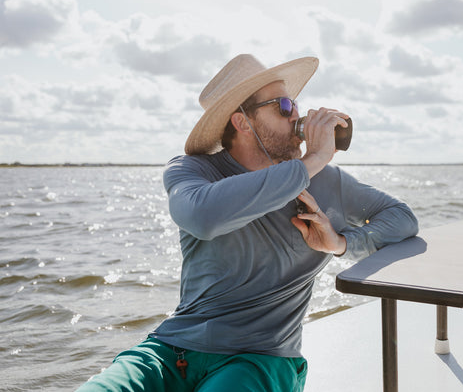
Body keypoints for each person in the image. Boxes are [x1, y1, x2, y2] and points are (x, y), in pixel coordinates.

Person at [78, 54, 419, 391]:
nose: (297, 115)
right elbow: (203, 218)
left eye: (296, 104)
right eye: (284, 106)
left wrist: (341, 243)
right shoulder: (193, 171)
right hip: (171, 348)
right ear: (242, 121)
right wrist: (312, 160)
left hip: (260, 357)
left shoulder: (327, 182)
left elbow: (402, 218)